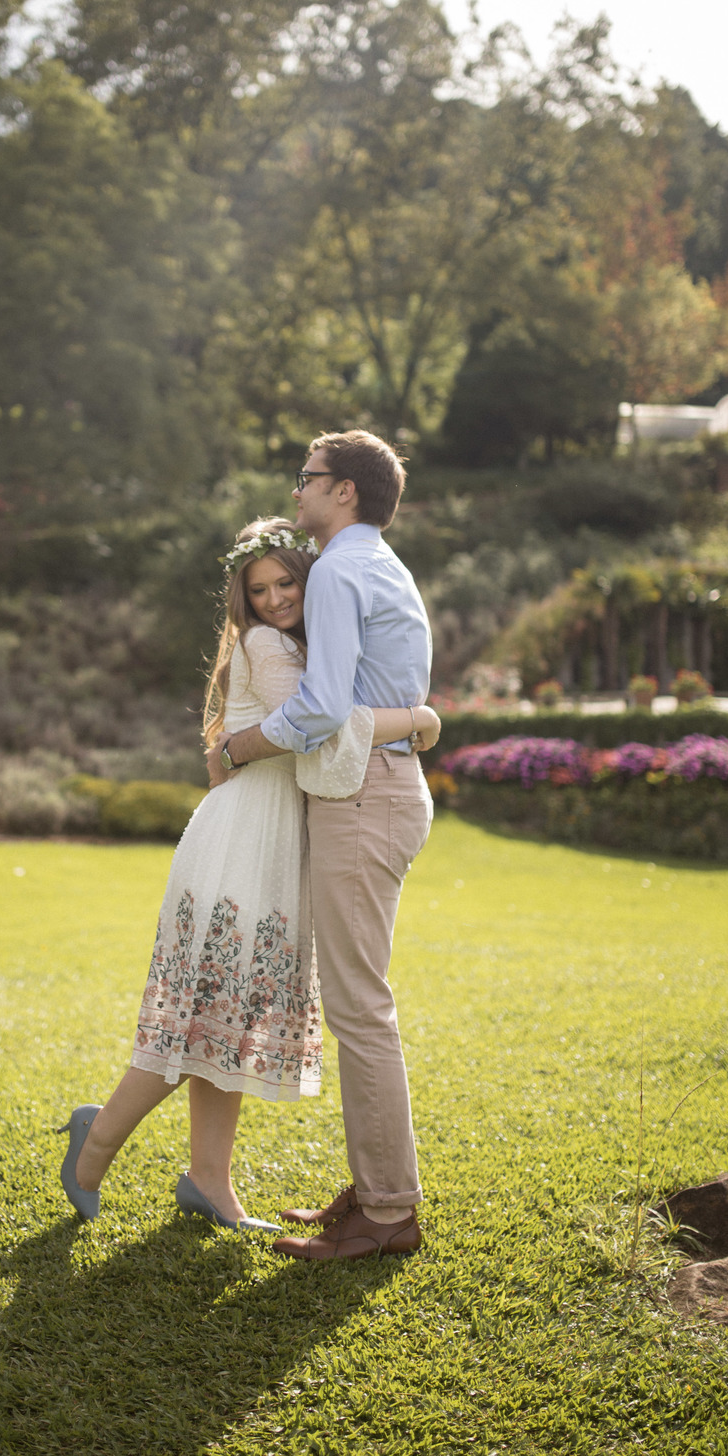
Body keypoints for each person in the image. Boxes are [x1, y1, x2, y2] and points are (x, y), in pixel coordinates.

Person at [57, 515, 442, 1232]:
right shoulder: (267, 645)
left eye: (284, 583)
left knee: (225, 1023)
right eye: (258, 590)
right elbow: (324, 726)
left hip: (269, 841)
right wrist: (420, 717)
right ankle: (95, 1142)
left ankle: (209, 1179)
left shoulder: (300, 644)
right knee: (202, 1016)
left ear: (307, 578)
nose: (273, 600)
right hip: (240, 845)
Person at [207, 430, 433, 1262]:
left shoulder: (339, 569)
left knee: (359, 1009)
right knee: (358, 1004)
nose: (295, 491)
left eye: (306, 478)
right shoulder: (380, 564)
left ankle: (387, 1212)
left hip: (362, 792)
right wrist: (418, 722)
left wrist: (235, 749)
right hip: (382, 785)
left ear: (344, 491)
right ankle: (375, 1191)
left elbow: (323, 706)